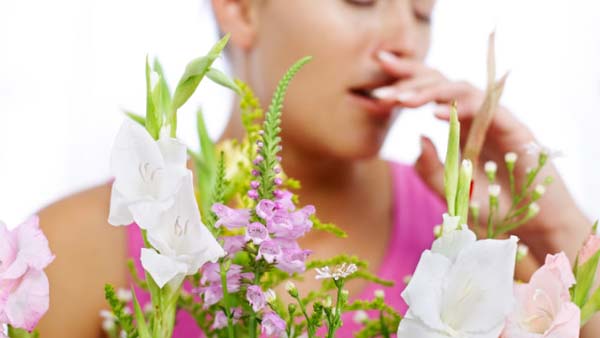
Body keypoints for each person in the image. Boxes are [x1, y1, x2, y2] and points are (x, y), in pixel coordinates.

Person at [37, 0, 597, 336]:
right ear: (240, 6)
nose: (406, 40)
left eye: (422, 11)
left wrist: (559, 228)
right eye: (360, 0)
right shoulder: (76, 247)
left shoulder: (486, 247)